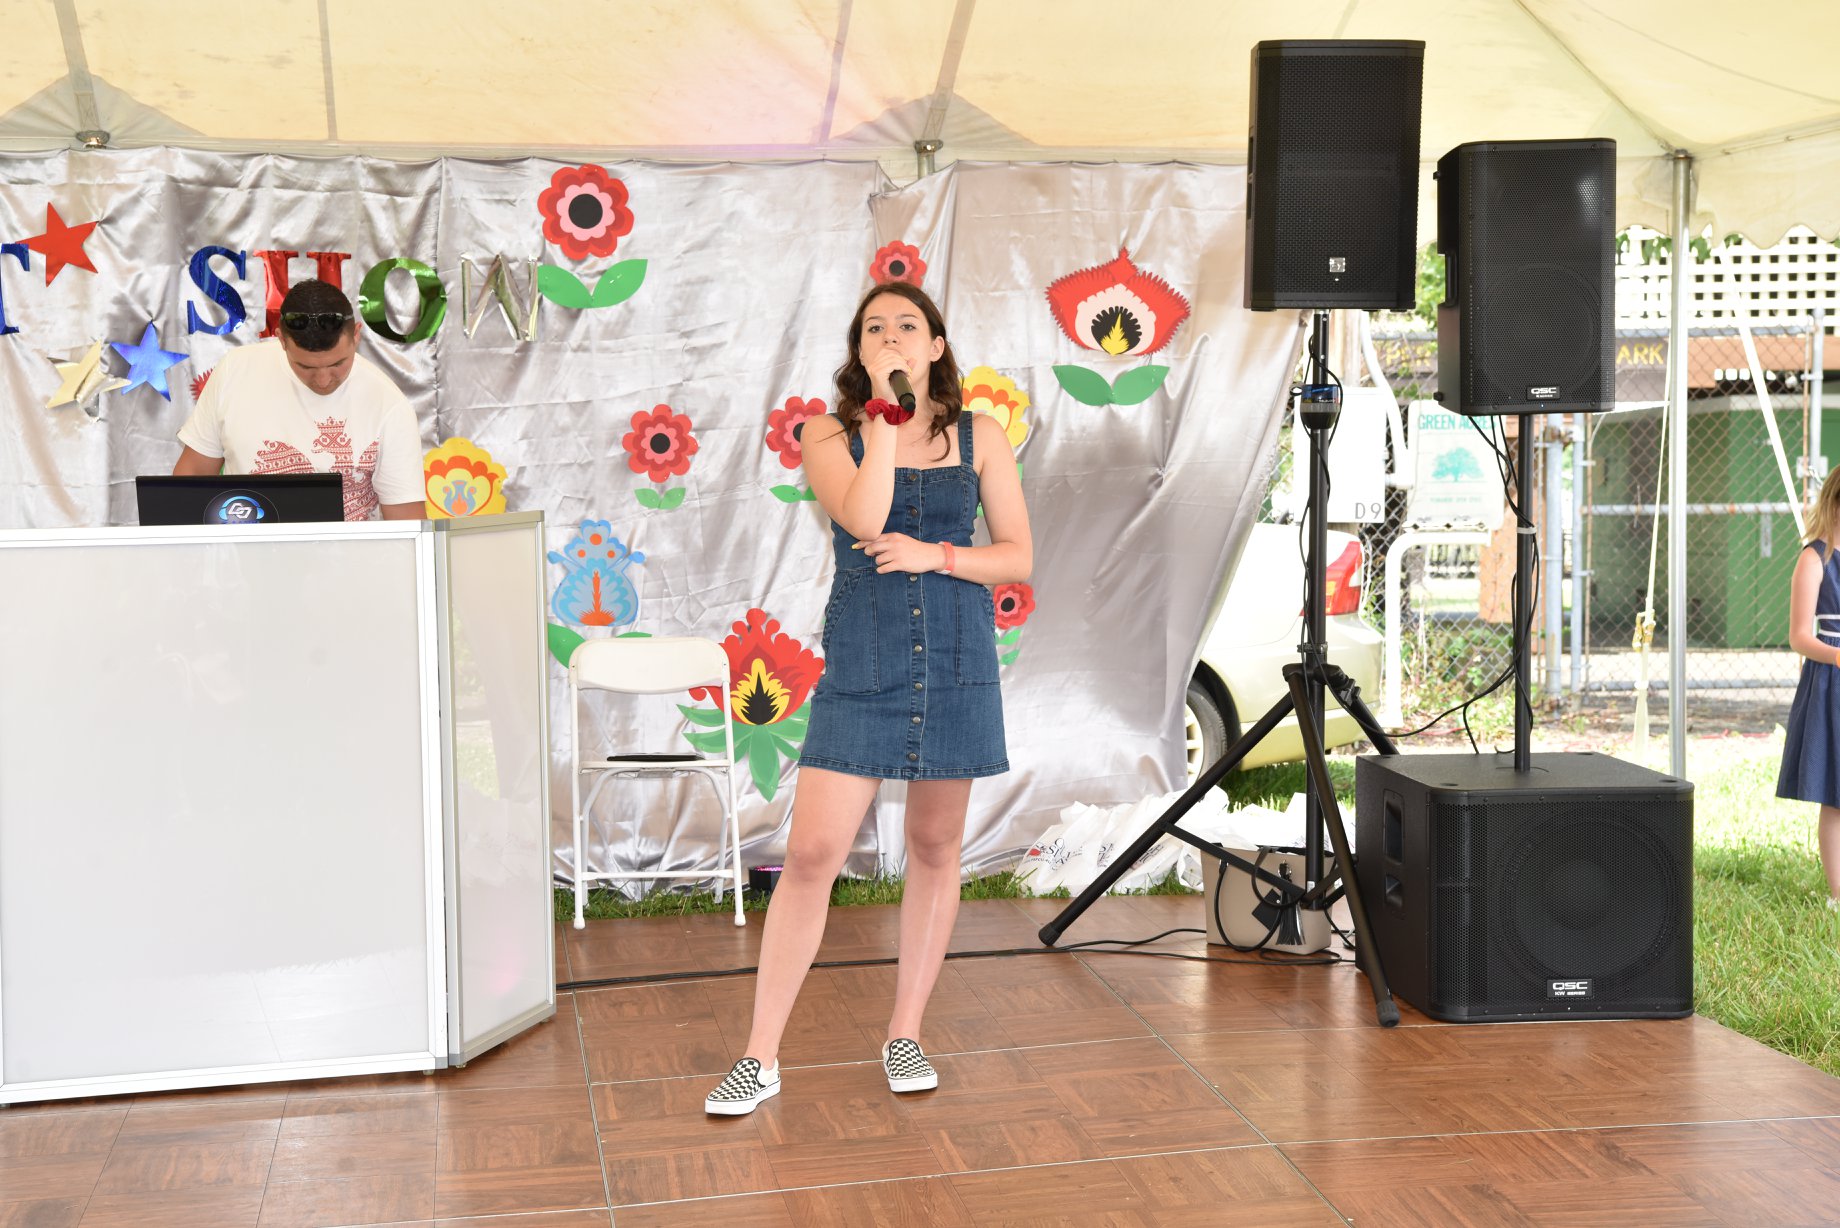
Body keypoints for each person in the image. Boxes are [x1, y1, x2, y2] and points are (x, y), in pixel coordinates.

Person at [704, 281, 1032, 1114]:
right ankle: (760, 1057)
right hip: (866, 658)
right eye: (874, 327)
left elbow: (1018, 556)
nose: (891, 336)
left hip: (956, 656)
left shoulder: (981, 435)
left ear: (936, 345)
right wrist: (887, 418)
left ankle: (905, 1034)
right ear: (858, 349)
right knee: (813, 853)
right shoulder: (828, 433)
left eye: (908, 326)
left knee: (935, 845)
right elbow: (864, 516)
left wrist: (938, 557)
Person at [173, 279, 425, 521]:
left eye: (338, 364)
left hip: (349, 552)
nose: (323, 380)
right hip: (244, 548)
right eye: (306, 367)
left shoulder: (389, 404)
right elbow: (191, 478)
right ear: (281, 339)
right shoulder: (235, 370)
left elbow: (407, 523)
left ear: (356, 335)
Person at [1777, 463, 1840, 912]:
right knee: (1837, 796)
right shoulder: (1814, 558)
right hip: (1832, 681)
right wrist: (1837, 656)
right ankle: (1839, 894)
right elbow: (1800, 636)